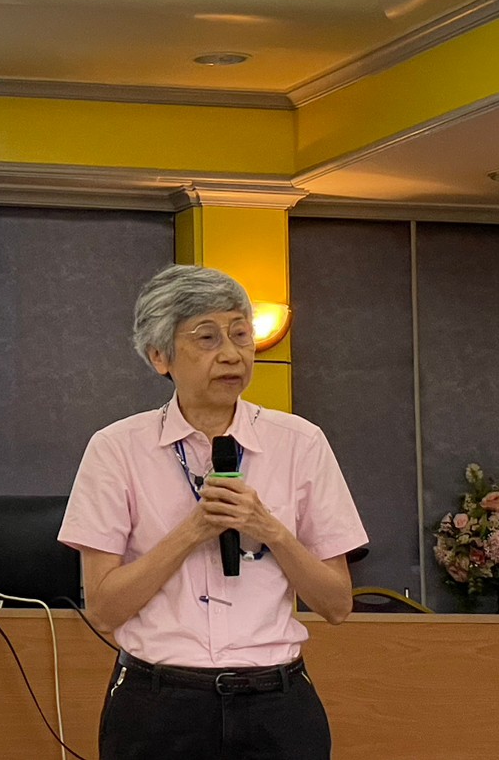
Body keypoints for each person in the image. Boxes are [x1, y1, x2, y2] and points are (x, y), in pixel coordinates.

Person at [59, 264, 367, 760]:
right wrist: (192, 531)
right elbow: (102, 610)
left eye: (241, 334)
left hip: (276, 703)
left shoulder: (300, 443)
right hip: (158, 704)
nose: (231, 354)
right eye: (207, 338)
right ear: (159, 356)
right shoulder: (116, 449)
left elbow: (337, 604)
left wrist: (270, 529)